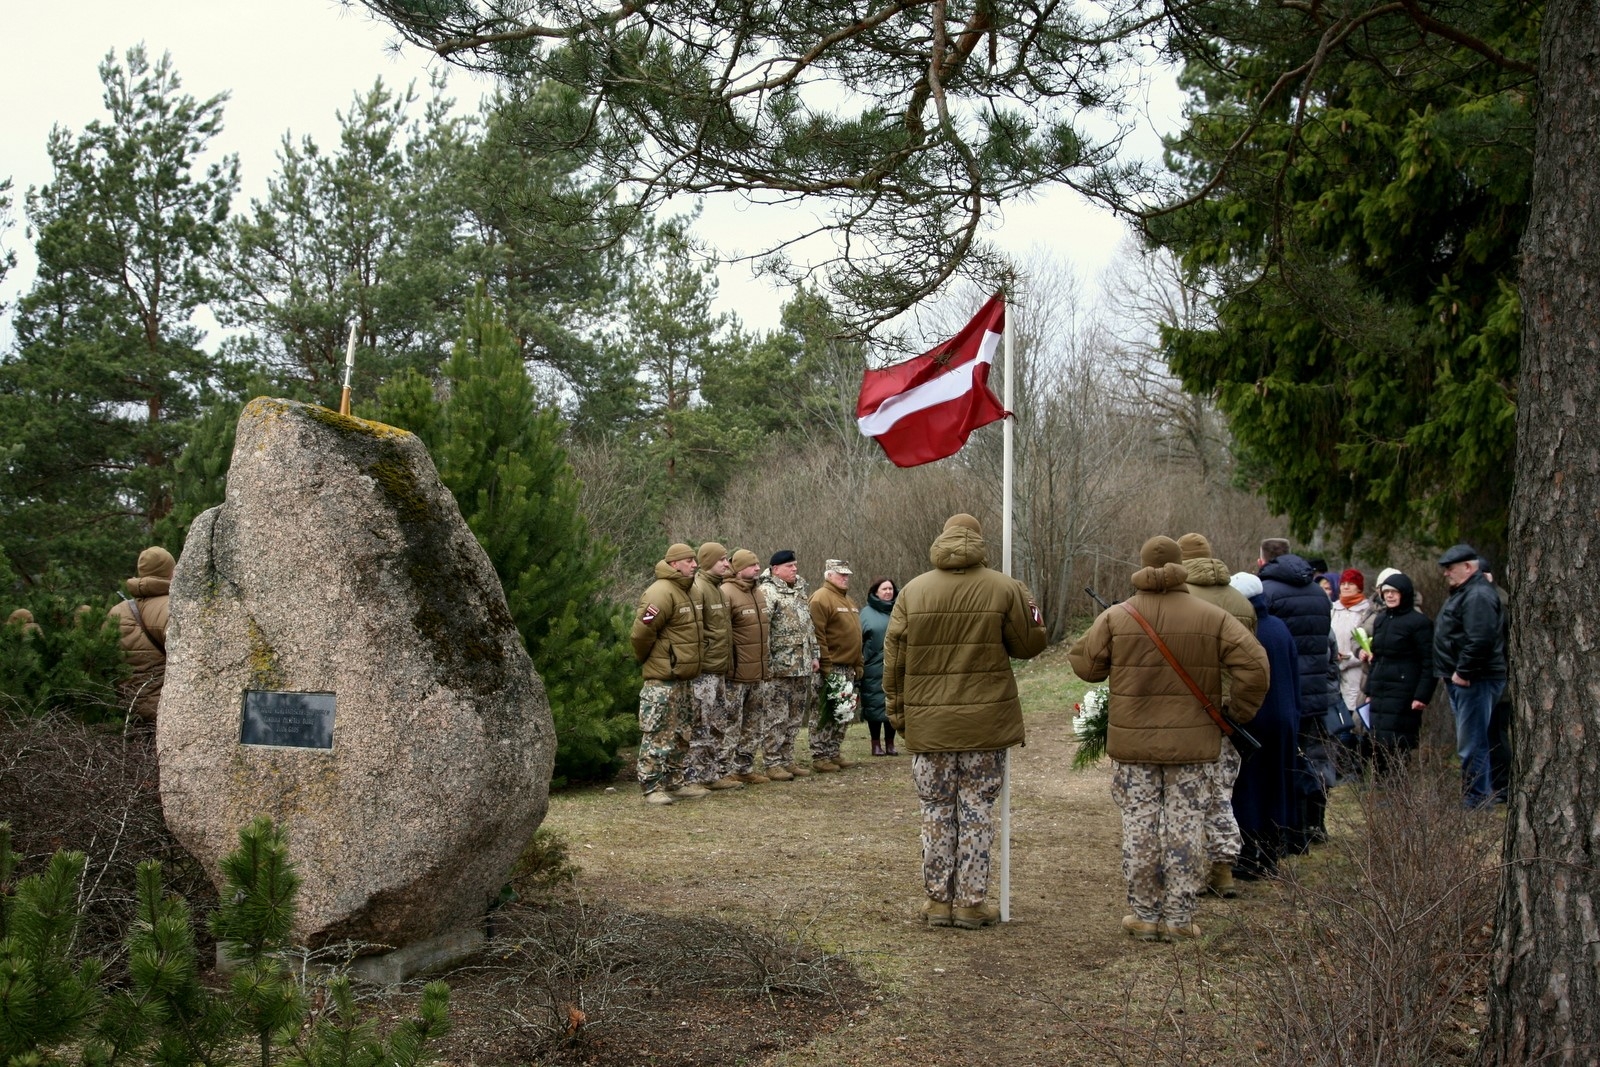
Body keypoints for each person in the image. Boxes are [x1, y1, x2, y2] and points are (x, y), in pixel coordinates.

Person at [1070, 536, 1267, 941]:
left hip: (1133, 748)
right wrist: (1236, 713)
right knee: (1186, 827)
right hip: (1194, 747)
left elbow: (1086, 666)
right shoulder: (1211, 616)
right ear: (1182, 566)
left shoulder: (1119, 616)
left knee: (1139, 827)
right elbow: (1255, 666)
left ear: (1140, 566)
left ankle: (1144, 915)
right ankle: (1179, 919)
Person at [885, 514, 1047, 930]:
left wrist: (898, 712)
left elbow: (895, 659)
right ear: (979, 540)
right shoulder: (1004, 587)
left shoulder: (913, 591)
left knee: (935, 811)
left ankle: (939, 901)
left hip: (930, 724)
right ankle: (971, 902)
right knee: (976, 810)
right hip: (985, 724)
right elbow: (1031, 645)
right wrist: (1025, 598)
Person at [1177, 531, 1257, 899]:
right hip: (1226, 716)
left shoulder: (1180, 600)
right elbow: (1251, 663)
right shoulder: (1241, 601)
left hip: (1187, 711)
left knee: (1185, 796)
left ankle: (1188, 872)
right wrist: (1238, 710)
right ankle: (1223, 870)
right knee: (1220, 793)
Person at [1258, 538, 1337, 852]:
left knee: (1284, 762)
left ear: (1264, 560)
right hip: (1318, 693)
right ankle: (1315, 824)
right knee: (1315, 759)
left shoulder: (1268, 592)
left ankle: (1289, 832)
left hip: (1284, 692)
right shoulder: (1318, 591)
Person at [1226, 572, 1301, 880]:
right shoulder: (1280, 627)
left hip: (1255, 720)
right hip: (1285, 718)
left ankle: (1248, 856)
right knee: (1277, 784)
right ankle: (1271, 855)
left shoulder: (1246, 630)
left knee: (1249, 786)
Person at [1433, 544, 1507, 807]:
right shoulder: (1465, 593)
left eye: (1450, 568)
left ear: (1468, 567)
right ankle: (1478, 795)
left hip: (1475, 679)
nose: (1446, 574)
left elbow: (1481, 639)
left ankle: (1475, 798)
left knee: (1472, 743)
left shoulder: (1476, 595)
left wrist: (1463, 672)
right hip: (1468, 678)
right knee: (1475, 740)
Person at [630, 542, 703, 805]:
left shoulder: (691, 590)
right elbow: (640, 635)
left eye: (695, 560)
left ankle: (675, 781)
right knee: (658, 732)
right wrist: (652, 661)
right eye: (688, 561)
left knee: (682, 733)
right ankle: (651, 787)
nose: (694, 564)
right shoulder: (660, 592)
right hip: (662, 679)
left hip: (684, 677)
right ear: (674, 564)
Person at [1358, 572, 1435, 777]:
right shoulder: (1381, 620)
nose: (1389, 596)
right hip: (1380, 691)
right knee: (1377, 740)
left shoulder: (1419, 623)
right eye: (1386, 592)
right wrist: (1370, 690)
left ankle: (1398, 792)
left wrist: (1422, 695)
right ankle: (1379, 786)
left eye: (1394, 592)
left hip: (1404, 692)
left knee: (1398, 742)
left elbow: (1428, 662)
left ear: (1405, 593)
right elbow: (1378, 659)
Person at [758, 550, 819, 780]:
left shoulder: (800, 591)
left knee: (794, 717)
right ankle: (772, 762)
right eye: (790, 566)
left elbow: (809, 627)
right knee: (776, 716)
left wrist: (814, 655)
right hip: (779, 668)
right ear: (776, 569)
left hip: (801, 665)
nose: (795, 569)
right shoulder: (767, 591)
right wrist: (767, 664)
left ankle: (787, 759)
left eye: (796, 565)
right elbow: (763, 632)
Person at [687, 541, 743, 791]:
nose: (726, 563)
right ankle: (694, 776)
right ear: (708, 561)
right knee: (701, 724)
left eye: (727, 559)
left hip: (720, 669)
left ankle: (711, 774)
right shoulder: (698, 588)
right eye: (721, 559)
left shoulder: (718, 589)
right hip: (704, 672)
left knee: (717, 723)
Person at [107, 546, 176, 722]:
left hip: (126, 709)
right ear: (171, 571)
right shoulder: (172, 608)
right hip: (165, 710)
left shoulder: (116, 611)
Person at [723, 548, 773, 784]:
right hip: (736, 675)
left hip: (759, 673)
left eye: (757, 564)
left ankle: (745, 768)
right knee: (730, 724)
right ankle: (724, 770)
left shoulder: (759, 593)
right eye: (752, 565)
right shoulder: (726, 592)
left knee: (754, 724)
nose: (757, 568)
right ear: (740, 568)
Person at [809, 559, 863, 772]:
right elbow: (818, 635)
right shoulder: (821, 598)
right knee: (824, 712)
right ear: (828, 575)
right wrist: (826, 666)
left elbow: (856, 635)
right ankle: (820, 755)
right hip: (831, 667)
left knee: (843, 712)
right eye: (841, 575)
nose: (845, 578)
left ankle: (833, 751)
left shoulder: (849, 600)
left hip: (848, 667)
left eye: (847, 575)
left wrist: (858, 663)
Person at [859, 576, 900, 756]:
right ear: (875, 592)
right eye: (884, 589)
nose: (888, 592)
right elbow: (859, 640)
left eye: (891, 589)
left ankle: (890, 743)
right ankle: (875, 743)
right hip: (872, 667)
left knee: (893, 705)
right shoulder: (866, 613)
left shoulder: (899, 611)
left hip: (896, 665)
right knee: (874, 705)